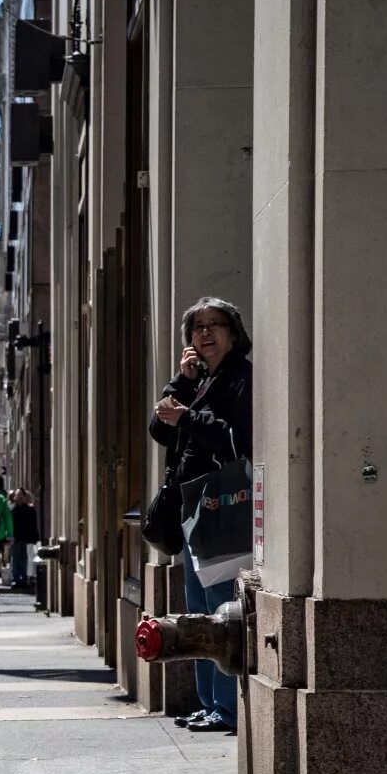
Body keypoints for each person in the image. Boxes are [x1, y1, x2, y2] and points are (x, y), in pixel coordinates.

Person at [149, 295, 253, 735]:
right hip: (193, 508)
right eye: (197, 328)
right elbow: (159, 428)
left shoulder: (241, 379)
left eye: (215, 325)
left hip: (222, 508)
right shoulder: (202, 380)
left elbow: (236, 442)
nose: (205, 333)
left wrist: (188, 418)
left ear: (233, 333)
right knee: (196, 609)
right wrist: (183, 380)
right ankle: (210, 703)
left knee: (218, 610)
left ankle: (227, 709)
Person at [10, 489, 41, 592]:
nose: (19, 497)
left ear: (24, 497)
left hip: (26, 537)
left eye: (21, 495)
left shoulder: (30, 509)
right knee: (15, 559)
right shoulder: (12, 509)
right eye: (17, 495)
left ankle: (23, 579)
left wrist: (35, 537)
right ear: (14, 497)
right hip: (15, 538)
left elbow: (33, 524)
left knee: (24, 559)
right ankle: (15, 579)